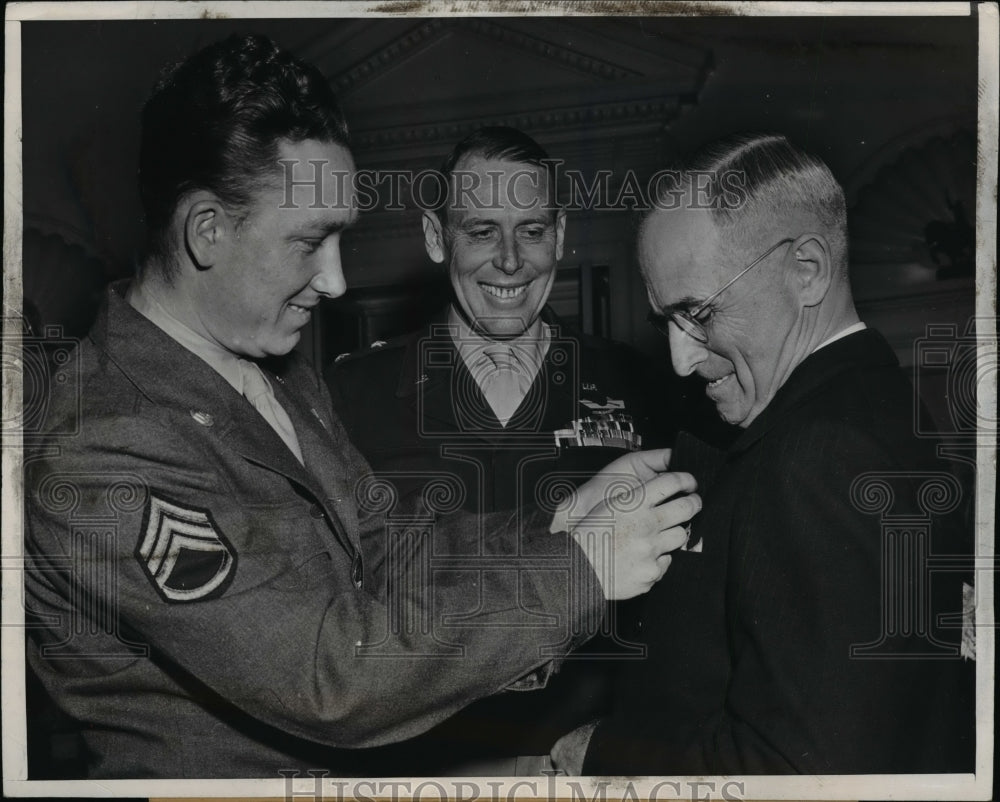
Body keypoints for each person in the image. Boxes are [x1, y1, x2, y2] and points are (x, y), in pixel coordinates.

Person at [21, 35, 702, 780]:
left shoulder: (277, 379)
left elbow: (383, 546)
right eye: (310, 242)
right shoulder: (106, 441)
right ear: (207, 231)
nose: (337, 282)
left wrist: (561, 522)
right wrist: (581, 569)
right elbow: (326, 677)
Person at [553, 134, 976, 775]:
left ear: (806, 270)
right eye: (665, 321)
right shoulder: (853, 406)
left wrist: (597, 757)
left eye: (698, 313)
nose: (680, 358)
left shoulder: (823, 455)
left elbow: (803, 772)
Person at [325, 126, 719, 774]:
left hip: (593, 764)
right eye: (481, 231)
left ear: (560, 236)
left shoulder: (643, 386)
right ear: (435, 238)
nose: (509, 260)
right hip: (415, 767)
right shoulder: (350, 395)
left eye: (532, 230)